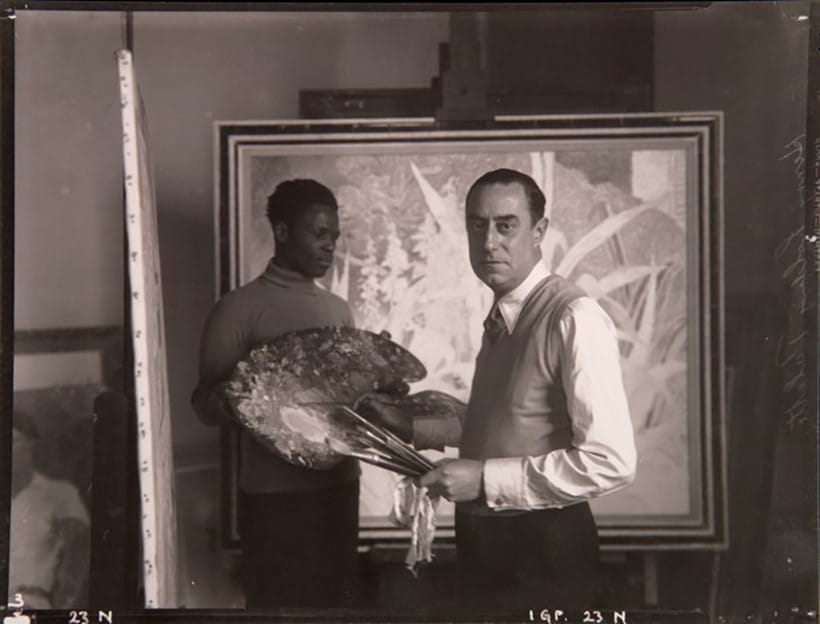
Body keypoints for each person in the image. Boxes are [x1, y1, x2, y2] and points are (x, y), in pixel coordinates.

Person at [362, 168, 637, 609]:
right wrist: (413, 428)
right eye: (477, 225)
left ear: (539, 231)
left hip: (543, 551)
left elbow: (611, 462)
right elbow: (511, 418)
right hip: (487, 545)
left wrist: (485, 479)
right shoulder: (503, 315)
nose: (489, 242)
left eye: (506, 225)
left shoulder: (573, 317)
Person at [191, 179, 359, 609]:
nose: (329, 247)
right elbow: (204, 404)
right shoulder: (238, 309)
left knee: (336, 609)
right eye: (318, 234)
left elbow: (347, 404)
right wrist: (248, 393)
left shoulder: (338, 310)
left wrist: (377, 383)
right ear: (282, 232)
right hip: (273, 499)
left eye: (334, 237)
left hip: (338, 488)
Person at [9, 410, 90, 609]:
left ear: (30, 444)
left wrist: (64, 604)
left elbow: (79, 551)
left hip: (33, 604)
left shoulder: (60, 494)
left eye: (13, 441)